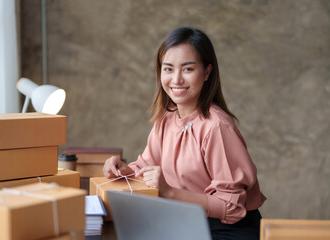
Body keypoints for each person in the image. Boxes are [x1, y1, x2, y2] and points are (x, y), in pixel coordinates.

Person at [103, 26, 266, 240]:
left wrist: (169, 192)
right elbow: (146, 164)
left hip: (228, 231)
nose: (176, 80)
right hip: (186, 221)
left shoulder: (217, 127)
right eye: (168, 69)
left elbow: (231, 207)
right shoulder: (166, 118)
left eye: (187, 69)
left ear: (207, 72)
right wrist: (125, 170)